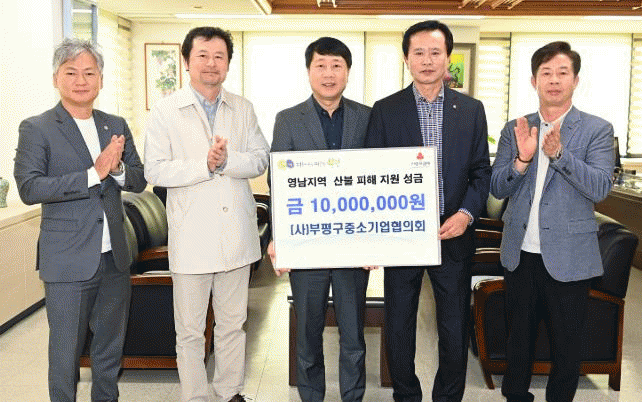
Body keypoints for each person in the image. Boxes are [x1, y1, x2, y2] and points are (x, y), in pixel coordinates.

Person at [364, 20, 491, 402]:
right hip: (402, 234)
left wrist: (466, 214)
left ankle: (448, 397)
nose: (427, 60)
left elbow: (481, 173)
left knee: (453, 326)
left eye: (435, 52)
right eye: (418, 52)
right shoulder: (386, 110)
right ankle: (406, 395)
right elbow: (372, 175)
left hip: (453, 232)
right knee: (399, 324)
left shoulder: (471, 110)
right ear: (406, 59)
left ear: (448, 58)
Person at [13, 38, 146, 402]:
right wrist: (93, 173)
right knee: (65, 355)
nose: (81, 81)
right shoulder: (37, 127)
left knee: (109, 350)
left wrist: (117, 169)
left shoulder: (115, 124)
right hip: (67, 260)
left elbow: (138, 179)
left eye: (89, 72)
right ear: (56, 78)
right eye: (71, 73)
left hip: (114, 258)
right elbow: (30, 187)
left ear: (101, 79)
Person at [144, 26, 269, 402]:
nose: (211, 63)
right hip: (192, 236)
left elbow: (260, 159)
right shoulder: (166, 110)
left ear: (228, 63)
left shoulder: (243, 108)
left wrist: (227, 161)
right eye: (202, 55)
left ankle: (230, 392)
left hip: (235, 235)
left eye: (219, 56)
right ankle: (195, 397)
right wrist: (205, 165)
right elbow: (155, 170)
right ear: (186, 61)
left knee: (233, 324)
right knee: (190, 330)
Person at [490, 41, 614, 402]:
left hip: (570, 256)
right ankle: (516, 396)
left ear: (575, 80)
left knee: (567, 345)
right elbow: (497, 187)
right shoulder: (517, 128)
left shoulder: (596, 130)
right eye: (546, 73)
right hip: (520, 254)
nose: (554, 80)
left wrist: (559, 155)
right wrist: (522, 160)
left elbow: (600, 187)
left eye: (562, 73)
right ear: (534, 81)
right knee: (518, 341)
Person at [267, 37, 372, 402]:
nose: (329, 74)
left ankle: (352, 396)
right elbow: (279, 183)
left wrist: (377, 241)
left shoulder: (367, 117)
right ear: (308, 71)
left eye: (336, 66)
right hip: (306, 245)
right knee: (308, 335)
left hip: (353, 245)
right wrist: (279, 239)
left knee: (353, 335)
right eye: (321, 66)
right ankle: (311, 396)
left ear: (348, 71)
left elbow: (378, 178)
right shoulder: (288, 119)